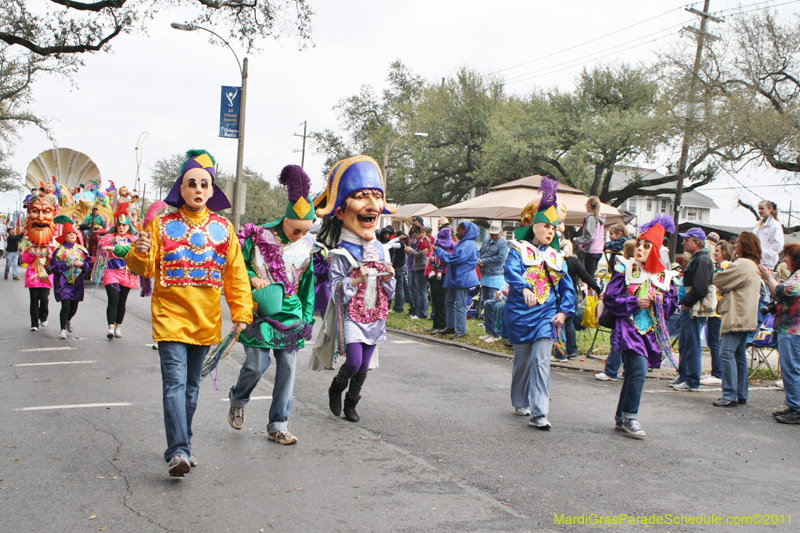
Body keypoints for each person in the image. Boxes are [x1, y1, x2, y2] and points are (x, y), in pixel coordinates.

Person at [126, 149, 253, 476]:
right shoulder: (160, 226)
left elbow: (236, 274)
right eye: (191, 184)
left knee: (192, 389)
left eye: (203, 184)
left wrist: (241, 311)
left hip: (205, 321)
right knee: (175, 385)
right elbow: (144, 267)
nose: (197, 189)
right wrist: (139, 253)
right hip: (170, 318)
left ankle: (183, 445)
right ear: (180, 189)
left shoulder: (224, 230)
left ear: (211, 191)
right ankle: (178, 451)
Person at [227, 165, 316, 445]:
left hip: (291, 315)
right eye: (296, 230)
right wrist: (253, 278)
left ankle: (279, 423)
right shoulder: (258, 236)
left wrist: (308, 318)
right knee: (256, 364)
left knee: (288, 369)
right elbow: (238, 264)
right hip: (260, 312)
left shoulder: (306, 247)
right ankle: (238, 399)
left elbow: (307, 286)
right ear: (285, 220)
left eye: (305, 232)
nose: (300, 236)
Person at [311, 155, 396, 424]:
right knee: (354, 362)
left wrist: (389, 277)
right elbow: (334, 287)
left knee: (365, 367)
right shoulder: (341, 252)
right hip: (351, 315)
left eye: (377, 196)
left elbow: (389, 289)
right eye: (361, 196)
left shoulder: (381, 249)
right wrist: (355, 281)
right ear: (340, 210)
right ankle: (337, 387)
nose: (373, 206)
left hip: (375, 314)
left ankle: (352, 403)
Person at [504, 177, 576, 429]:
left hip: (546, 318)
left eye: (553, 228)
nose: (549, 232)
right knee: (523, 362)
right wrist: (523, 287)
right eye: (545, 226)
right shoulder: (518, 250)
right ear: (533, 225)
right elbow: (511, 272)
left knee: (541, 362)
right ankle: (520, 400)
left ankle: (539, 412)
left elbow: (568, 289)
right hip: (521, 315)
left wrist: (564, 313)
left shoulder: (558, 258)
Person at [602, 216, 678, 438]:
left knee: (634, 373)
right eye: (639, 244)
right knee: (639, 371)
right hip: (628, 329)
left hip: (650, 333)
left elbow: (672, 303)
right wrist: (635, 302)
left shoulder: (664, 276)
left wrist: (660, 302)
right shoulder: (625, 269)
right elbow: (611, 298)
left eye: (646, 246)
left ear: (655, 250)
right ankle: (630, 417)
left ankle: (621, 417)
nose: (640, 249)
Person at [711, 233, 761, 408]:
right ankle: (741, 393)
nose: (734, 245)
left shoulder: (741, 265)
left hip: (737, 314)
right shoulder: (753, 265)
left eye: (738, 243)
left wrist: (720, 271)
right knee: (739, 355)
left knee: (726, 353)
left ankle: (729, 394)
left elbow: (719, 280)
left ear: (744, 246)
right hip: (747, 314)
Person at [759, 242, 800, 424]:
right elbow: (777, 295)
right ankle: (793, 405)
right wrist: (770, 280)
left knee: (791, 369)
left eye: (787, 256)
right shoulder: (794, 276)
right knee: (789, 368)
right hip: (787, 329)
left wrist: (769, 278)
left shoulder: (798, 277)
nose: (784, 259)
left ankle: (796, 408)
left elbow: (783, 292)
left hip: (793, 330)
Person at [673, 227, 714, 392]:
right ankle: (684, 376)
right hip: (690, 308)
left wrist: (686, 303)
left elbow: (701, 288)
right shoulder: (697, 258)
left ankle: (692, 380)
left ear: (696, 242)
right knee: (685, 343)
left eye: (686, 240)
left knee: (692, 344)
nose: (683, 243)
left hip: (694, 309)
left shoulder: (702, 260)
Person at [595, 239, 637, 381]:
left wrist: (609, 295)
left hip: (621, 307)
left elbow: (616, 287)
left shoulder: (624, 267)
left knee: (617, 339)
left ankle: (611, 370)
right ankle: (625, 371)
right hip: (628, 307)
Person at [554, 240, 602, 362]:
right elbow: (585, 276)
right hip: (572, 295)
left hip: (558, 294)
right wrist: (597, 288)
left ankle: (560, 352)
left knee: (560, 324)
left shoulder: (556, 261)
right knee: (569, 323)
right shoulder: (574, 261)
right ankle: (572, 351)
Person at [99, 203, 139, 339]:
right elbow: (100, 248)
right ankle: (110, 328)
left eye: (124, 225)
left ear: (128, 226)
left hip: (127, 274)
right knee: (113, 299)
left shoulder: (133, 239)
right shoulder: (108, 237)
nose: (121, 227)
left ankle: (118, 328)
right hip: (111, 272)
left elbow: (138, 252)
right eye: (119, 225)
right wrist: (111, 242)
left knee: (122, 301)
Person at [434, 221, 480, 340]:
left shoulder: (467, 244)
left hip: (462, 277)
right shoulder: (463, 243)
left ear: (466, 231)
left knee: (460, 304)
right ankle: (451, 326)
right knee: (449, 301)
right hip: (457, 277)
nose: (457, 232)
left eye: (460, 230)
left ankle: (460, 330)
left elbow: (455, 259)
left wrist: (439, 251)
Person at [21, 194, 59, 331]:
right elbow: (24, 260)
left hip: (45, 276)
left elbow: (56, 260)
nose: (41, 218)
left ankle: (43, 316)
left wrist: (50, 256)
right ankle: (34, 323)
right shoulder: (28, 242)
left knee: (44, 299)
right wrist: (30, 255)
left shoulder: (53, 243)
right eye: (36, 211)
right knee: (33, 300)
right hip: (32, 275)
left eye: (46, 212)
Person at [49, 218, 92, 339]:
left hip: (76, 283)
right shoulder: (58, 251)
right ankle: (62, 329)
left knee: (74, 307)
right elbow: (53, 266)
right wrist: (66, 265)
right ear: (64, 235)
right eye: (69, 233)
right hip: (63, 282)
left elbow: (88, 265)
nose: (72, 235)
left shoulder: (81, 250)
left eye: (74, 233)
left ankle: (68, 319)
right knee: (65, 305)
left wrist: (82, 264)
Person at [701, 240, 734, 386]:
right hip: (717, 310)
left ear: (725, 252)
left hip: (718, 311)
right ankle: (716, 371)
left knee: (714, 342)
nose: (715, 253)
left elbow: (717, 285)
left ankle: (718, 373)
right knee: (714, 341)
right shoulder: (720, 265)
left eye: (718, 251)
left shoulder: (724, 265)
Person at [478, 221, 509, 314]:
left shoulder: (503, 243)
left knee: (493, 298)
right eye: (492, 234)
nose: (493, 236)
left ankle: (492, 320)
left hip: (496, 275)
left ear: (500, 232)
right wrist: (478, 259)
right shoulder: (486, 240)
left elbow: (500, 258)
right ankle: (486, 321)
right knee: (486, 299)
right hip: (485, 273)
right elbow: (480, 251)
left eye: (496, 234)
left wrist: (483, 261)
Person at [429, 226, 454, 334]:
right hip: (435, 274)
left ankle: (442, 325)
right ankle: (435, 324)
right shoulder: (438, 245)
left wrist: (436, 259)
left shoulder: (452, 246)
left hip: (445, 274)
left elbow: (449, 258)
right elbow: (433, 253)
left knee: (442, 301)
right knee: (435, 301)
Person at [573, 195, 605, 278]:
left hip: (591, 250)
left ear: (589, 205)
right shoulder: (599, 219)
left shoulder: (591, 219)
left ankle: (591, 290)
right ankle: (593, 290)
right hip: (599, 250)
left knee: (589, 277)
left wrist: (577, 240)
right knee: (592, 275)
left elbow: (589, 236)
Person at [405, 225, 431, 320]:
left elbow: (420, 254)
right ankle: (421, 311)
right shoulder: (420, 241)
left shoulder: (424, 241)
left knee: (421, 291)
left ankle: (422, 313)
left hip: (421, 267)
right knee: (420, 291)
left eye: (416, 234)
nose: (415, 237)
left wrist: (410, 251)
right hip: (418, 267)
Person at [754, 200, 784, 269]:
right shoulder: (758, 225)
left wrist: (765, 254)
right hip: (756, 261)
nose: (760, 211)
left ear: (770, 209)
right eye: (759, 209)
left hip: (767, 263)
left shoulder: (775, 225)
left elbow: (778, 245)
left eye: (762, 208)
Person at [390, 231, 408, 313]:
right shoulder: (403, 245)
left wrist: (397, 238)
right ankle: (398, 306)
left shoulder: (400, 245)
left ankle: (399, 307)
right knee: (399, 287)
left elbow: (389, 244)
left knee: (399, 287)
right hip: (401, 266)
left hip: (399, 267)